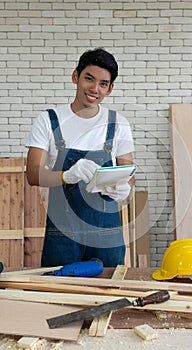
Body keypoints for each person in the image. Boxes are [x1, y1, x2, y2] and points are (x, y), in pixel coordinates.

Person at [26, 48, 134, 268]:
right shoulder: (48, 120)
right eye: (89, 79)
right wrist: (67, 175)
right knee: (60, 296)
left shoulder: (118, 124)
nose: (95, 89)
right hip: (63, 235)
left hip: (107, 234)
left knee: (109, 291)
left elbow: (127, 172)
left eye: (103, 84)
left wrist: (125, 187)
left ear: (110, 88)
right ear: (75, 76)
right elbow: (33, 174)